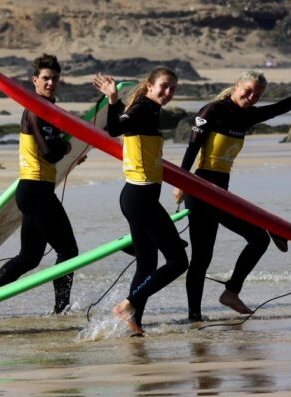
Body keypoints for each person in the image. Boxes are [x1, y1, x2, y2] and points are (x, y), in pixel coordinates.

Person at [173, 70, 291, 321]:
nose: (252, 97)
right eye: (248, 90)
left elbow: (280, 107)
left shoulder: (247, 116)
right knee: (203, 257)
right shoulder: (212, 111)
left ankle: (231, 292)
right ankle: (195, 317)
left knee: (258, 239)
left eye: (257, 94)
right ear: (236, 86)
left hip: (221, 193)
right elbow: (192, 147)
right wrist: (181, 181)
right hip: (201, 189)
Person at [0, 54, 81, 318]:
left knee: (30, 257)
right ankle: (61, 310)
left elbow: (53, 153)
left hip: (37, 189)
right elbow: (50, 154)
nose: (50, 82)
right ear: (35, 80)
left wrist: (69, 153)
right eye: (45, 78)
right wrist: (66, 148)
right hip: (35, 190)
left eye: (55, 78)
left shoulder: (50, 111)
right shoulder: (35, 110)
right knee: (68, 251)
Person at [92, 67, 189, 335]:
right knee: (178, 262)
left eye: (173, 88)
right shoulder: (143, 109)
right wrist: (112, 99)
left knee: (147, 264)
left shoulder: (147, 108)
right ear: (149, 85)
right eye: (164, 86)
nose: (168, 93)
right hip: (141, 198)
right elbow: (115, 128)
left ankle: (134, 323)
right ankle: (128, 305)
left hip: (136, 196)